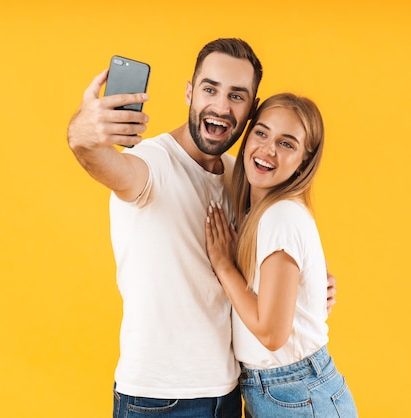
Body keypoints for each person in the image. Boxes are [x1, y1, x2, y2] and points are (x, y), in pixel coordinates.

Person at [67, 38, 337, 418]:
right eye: (210, 89)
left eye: (237, 96)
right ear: (190, 92)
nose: (221, 107)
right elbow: (110, 168)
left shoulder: (240, 177)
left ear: (252, 111)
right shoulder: (151, 164)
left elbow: (262, 267)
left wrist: (305, 289)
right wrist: (82, 138)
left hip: (229, 393)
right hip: (159, 401)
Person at [205, 93, 358, 417]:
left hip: (295, 393)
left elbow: (273, 334)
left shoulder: (280, 216)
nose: (268, 149)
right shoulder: (260, 213)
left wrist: (223, 265)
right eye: (261, 133)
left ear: (304, 160)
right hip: (282, 392)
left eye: (287, 143)